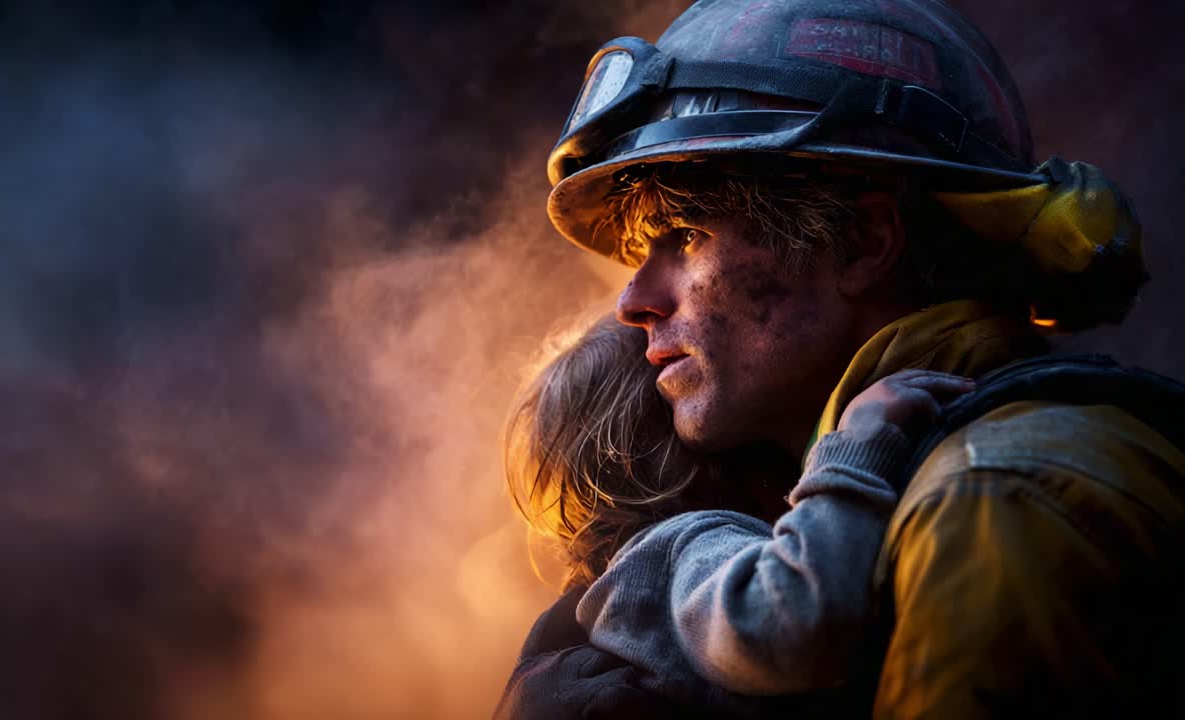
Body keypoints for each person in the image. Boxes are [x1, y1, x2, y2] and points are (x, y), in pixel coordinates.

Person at [502, 0, 1185, 717]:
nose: (632, 299)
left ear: (862, 241)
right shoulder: (910, 493)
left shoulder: (998, 501)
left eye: (685, 233)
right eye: (643, 253)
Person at [499, 312, 972, 717]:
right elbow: (792, 622)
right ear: (672, 439)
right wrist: (853, 450)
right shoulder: (678, 549)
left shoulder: (631, 584)